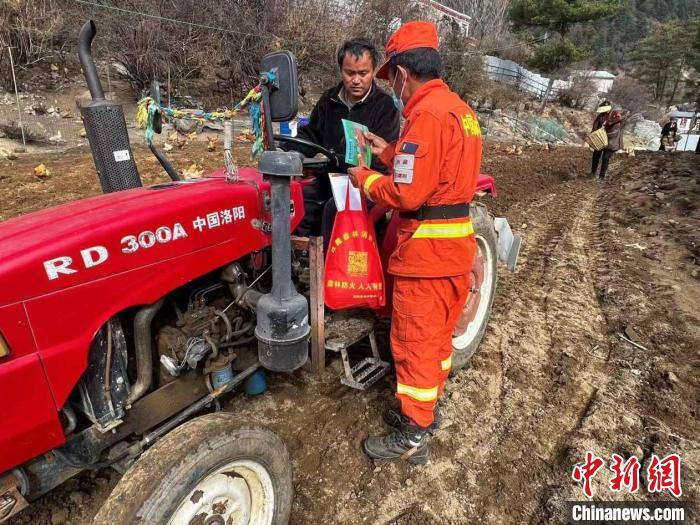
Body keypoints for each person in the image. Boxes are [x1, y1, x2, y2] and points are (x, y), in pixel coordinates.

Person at [347, 21, 482, 465]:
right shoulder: (459, 111)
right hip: (454, 249)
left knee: (414, 344)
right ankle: (425, 411)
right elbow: (436, 168)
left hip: (425, 255)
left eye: (392, 80)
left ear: (403, 73)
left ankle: (413, 435)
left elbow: (407, 194)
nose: (394, 90)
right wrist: (386, 150)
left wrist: (364, 178)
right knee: (437, 342)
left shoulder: (425, 116)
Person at [287, 38, 400, 246]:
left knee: (335, 208)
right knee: (294, 201)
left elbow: (380, 161)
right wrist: (288, 150)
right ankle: (296, 257)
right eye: (350, 73)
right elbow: (311, 134)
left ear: (373, 71)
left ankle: (333, 261)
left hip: (365, 185)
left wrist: (333, 160)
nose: (356, 80)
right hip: (327, 180)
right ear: (341, 71)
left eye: (363, 73)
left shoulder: (385, 107)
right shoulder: (329, 100)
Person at [590, 100, 624, 180]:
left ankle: (601, 177)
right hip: (600, 139)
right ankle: (593, 172)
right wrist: (594, 134)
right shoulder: (601, 115)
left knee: (605, 158)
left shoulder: (616, 115)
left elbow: (615, 131)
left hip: (612, 141)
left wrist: (604, 133)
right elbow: (595, 125)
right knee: (596, 155)